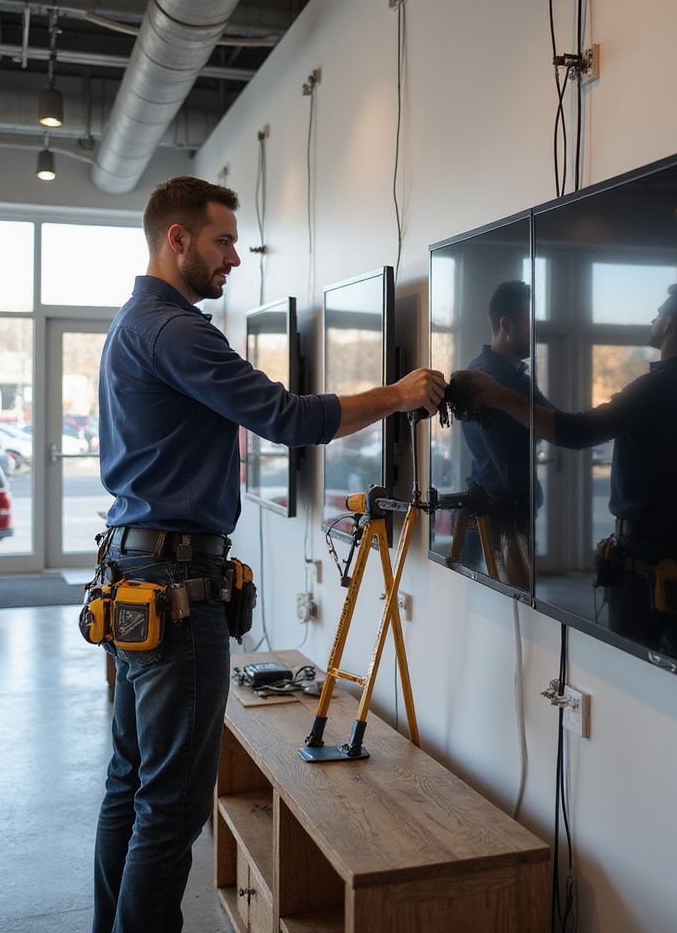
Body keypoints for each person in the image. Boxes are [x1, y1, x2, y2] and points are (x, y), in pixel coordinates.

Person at [92, 175, 445, 933]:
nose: (233, 258)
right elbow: (287, 418)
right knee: (171, 803)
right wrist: (399, 394)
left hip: (133, 577)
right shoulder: (176, 330)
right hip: (175, 585)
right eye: (222, 241)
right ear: (177, 239)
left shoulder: (132, 322)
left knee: (131, 784)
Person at [467, 283, 677, 665]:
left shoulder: (657, 387)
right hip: (674, 543)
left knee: (629, 667)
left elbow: (574, 431)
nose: (652, 317)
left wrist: (501, 397)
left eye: (658, 312)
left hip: (650, 552)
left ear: (668, 324)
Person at [457, 280, 552, 586]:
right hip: (504, 518)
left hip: (490, 508)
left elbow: (547, 422)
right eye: (530, 324)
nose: (536, 333)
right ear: (507, 325)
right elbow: (556, 425)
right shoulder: (501, 380)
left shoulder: (485, 370)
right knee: (515, 607)